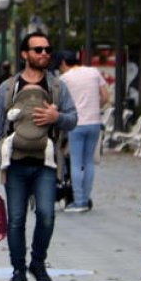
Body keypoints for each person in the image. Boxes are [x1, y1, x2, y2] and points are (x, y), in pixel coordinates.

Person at [0, 33, 78, 281]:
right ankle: (18, 271)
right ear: (25, 54)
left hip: (46, 163)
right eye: (38, 50)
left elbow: (73, 119)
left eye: (47, 49)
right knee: (16, 220)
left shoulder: (57, 87)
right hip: (15, 162)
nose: (44, 53)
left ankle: (38, 262)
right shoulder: (8, 87)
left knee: (46, 215)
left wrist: (57, 116)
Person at [57, 52, 110, 212]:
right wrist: (94, 107)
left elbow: (59, 102)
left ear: (64, 63)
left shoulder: (65, 79)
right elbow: (106, 97)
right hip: (94, 122)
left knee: (76, 162)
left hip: (76, 124)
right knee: (88, 162)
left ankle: (78, 201)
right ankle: (86, 199)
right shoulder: (93, 72)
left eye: (60, 66)